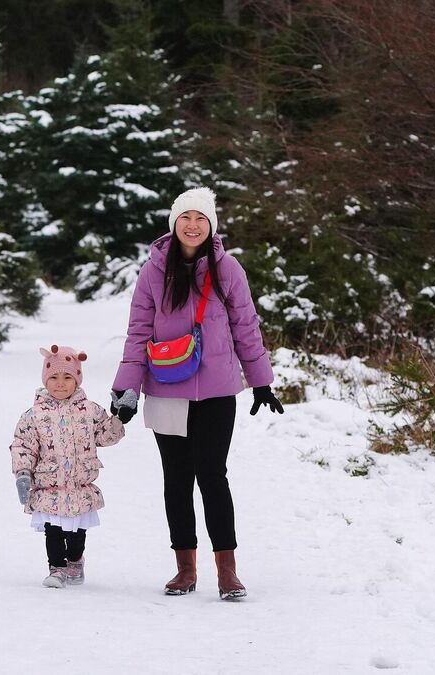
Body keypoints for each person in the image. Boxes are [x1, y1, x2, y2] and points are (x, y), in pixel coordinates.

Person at [110, 187, 284, 601]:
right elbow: (138, 331)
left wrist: (260, 380)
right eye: (185, 218)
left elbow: (246, 326)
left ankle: (227, 571)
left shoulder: (228, 269)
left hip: (217, 391)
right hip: (167, 389)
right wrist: (126, 388)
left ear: (211, 226)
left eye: (201, 218)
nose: (192, 225)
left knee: (212, 475)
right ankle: (185, 569)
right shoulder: (153, 272)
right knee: (176, 479)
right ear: (174, 224)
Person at [10, 345, 125, 588]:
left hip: (79, 485)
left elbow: (105, 436)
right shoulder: (34, 415)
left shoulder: (90, 410)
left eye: (67, 377)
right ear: (45, 379)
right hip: (49, 486)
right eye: (54, 377)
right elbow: (24, 445)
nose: (60, 384)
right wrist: (23, 472)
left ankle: (74, 561)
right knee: (52, 531)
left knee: (76, 534)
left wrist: (119, 418)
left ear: (77, 380)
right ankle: (56, 568)